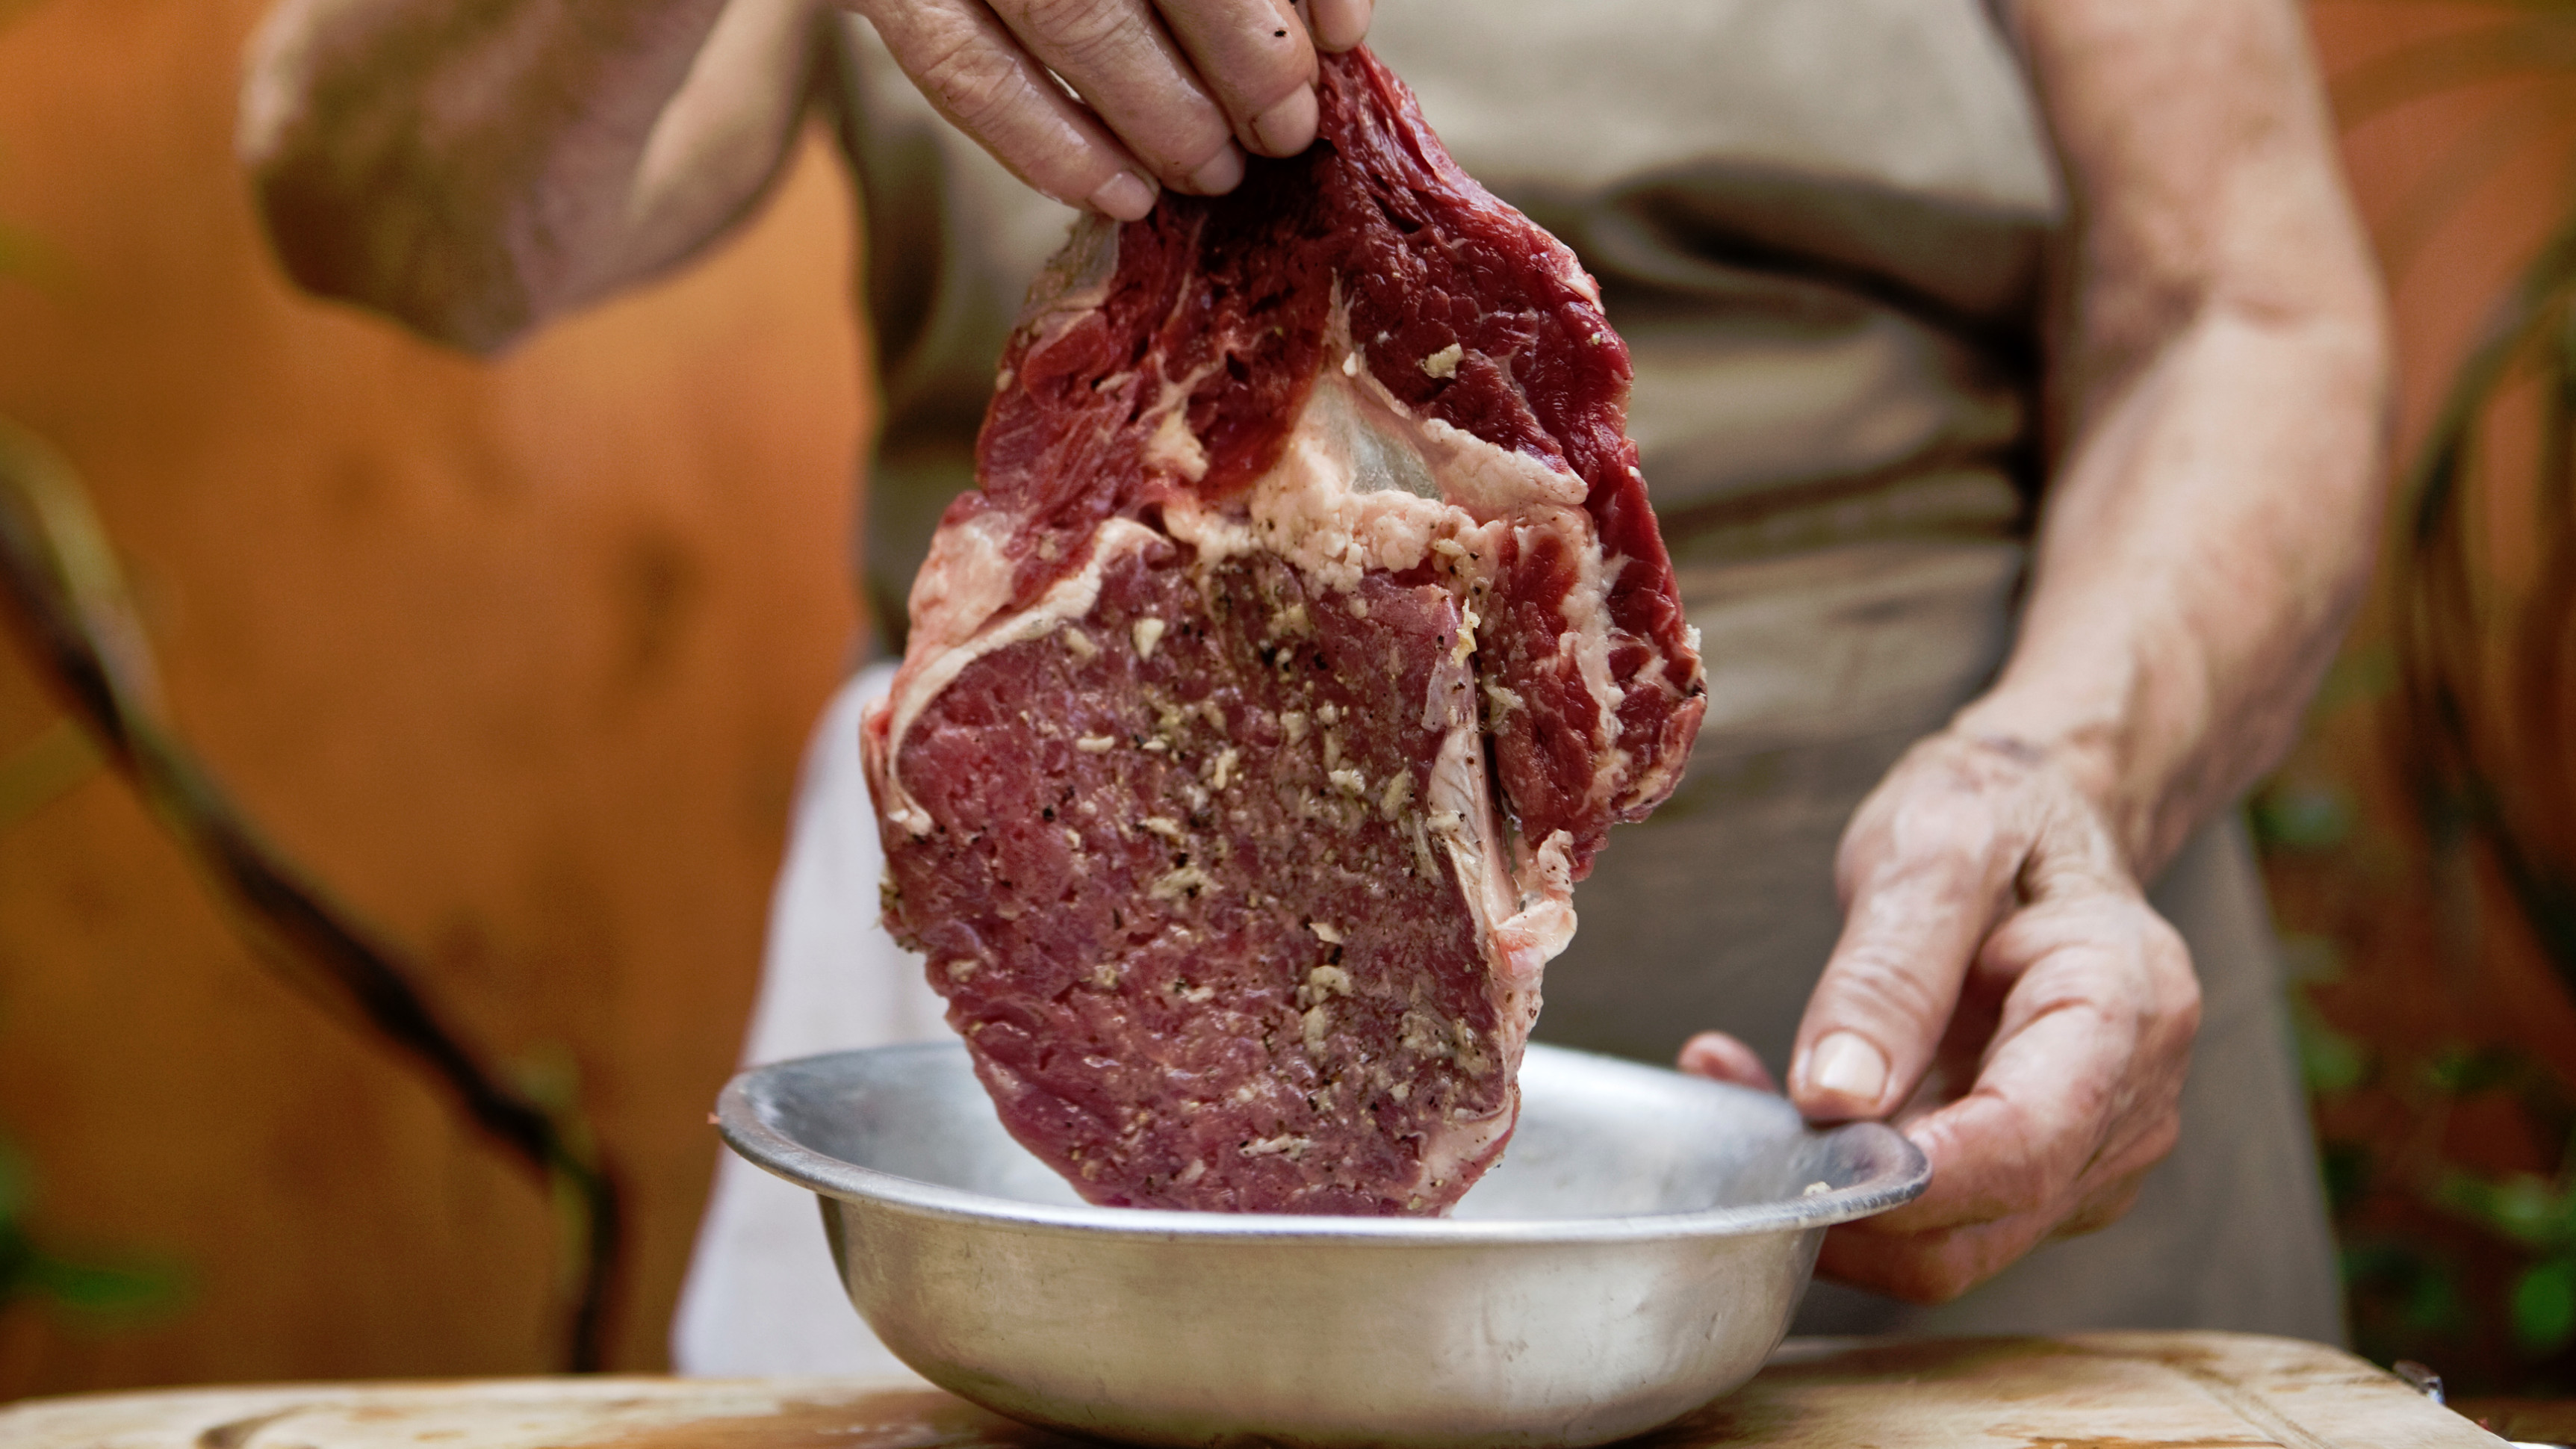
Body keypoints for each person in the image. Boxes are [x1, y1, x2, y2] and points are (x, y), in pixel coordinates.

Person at [238, 0, 2391, 1368]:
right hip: (1094, 1168)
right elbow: (388, 213)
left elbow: (2244, 303)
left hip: (1943, 1104)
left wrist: (2068, 752)